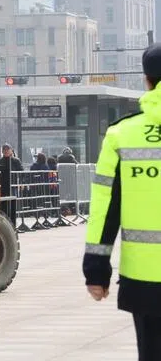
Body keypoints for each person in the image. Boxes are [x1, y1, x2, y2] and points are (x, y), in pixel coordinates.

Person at [82, 43, 161, 360]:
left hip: (146, 280)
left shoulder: (121, 135)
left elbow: (105, 211)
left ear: (147, 80)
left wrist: (96, 270)